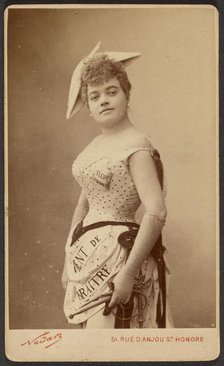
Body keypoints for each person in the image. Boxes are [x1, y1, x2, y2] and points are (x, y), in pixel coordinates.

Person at [62, 42, 172, 329]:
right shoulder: (92, 149)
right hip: (86, 257)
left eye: (112, 91)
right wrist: (68, 258)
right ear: (87, 106)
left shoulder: (136, 144)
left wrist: (128, 272)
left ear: (126, 94)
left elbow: (156, 211)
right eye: (95, 96)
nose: (104, 101)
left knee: (114, 341)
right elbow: (83, 205)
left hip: (122, 254)